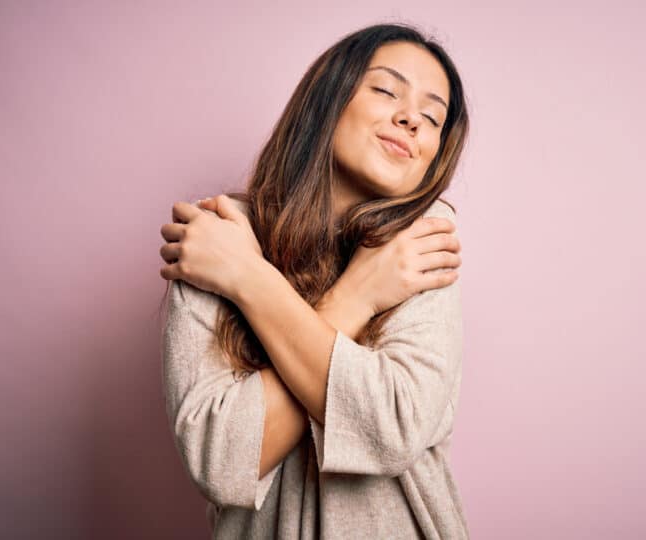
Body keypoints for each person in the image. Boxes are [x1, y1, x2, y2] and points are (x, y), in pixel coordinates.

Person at [158, 22, 470, 539]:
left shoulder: (422, 245)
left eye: (432, 117)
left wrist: (246, 278)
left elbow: (390, 426)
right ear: (328, 99)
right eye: (386, 89)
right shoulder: (220, 239)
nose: (410, 118)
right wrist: (356, 298)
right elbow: (219, 457)